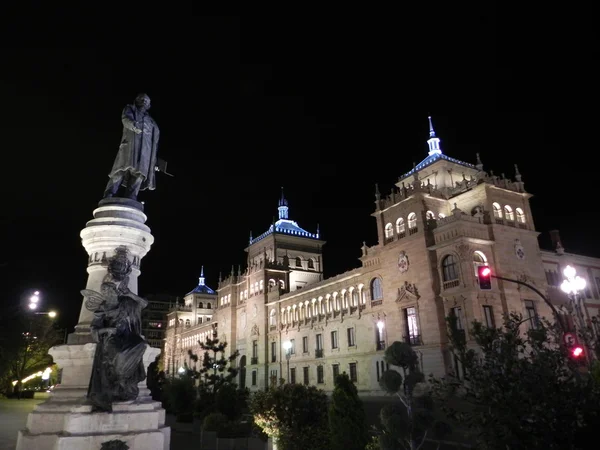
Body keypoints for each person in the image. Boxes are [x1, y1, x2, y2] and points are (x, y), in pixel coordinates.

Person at [104, 93, 160, 200]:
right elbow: (125, 119)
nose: (144, 101)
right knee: (120, 170)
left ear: (149, 105)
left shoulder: (152, 121)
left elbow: (155, 140)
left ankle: (131, 197)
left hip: (145, 151)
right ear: (136, 100)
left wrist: (154, 160)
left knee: (139, 174)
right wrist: (135, 126)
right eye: (142, 99)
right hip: (130, 146)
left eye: (147, 100)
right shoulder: (130, 109)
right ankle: (109, 194)